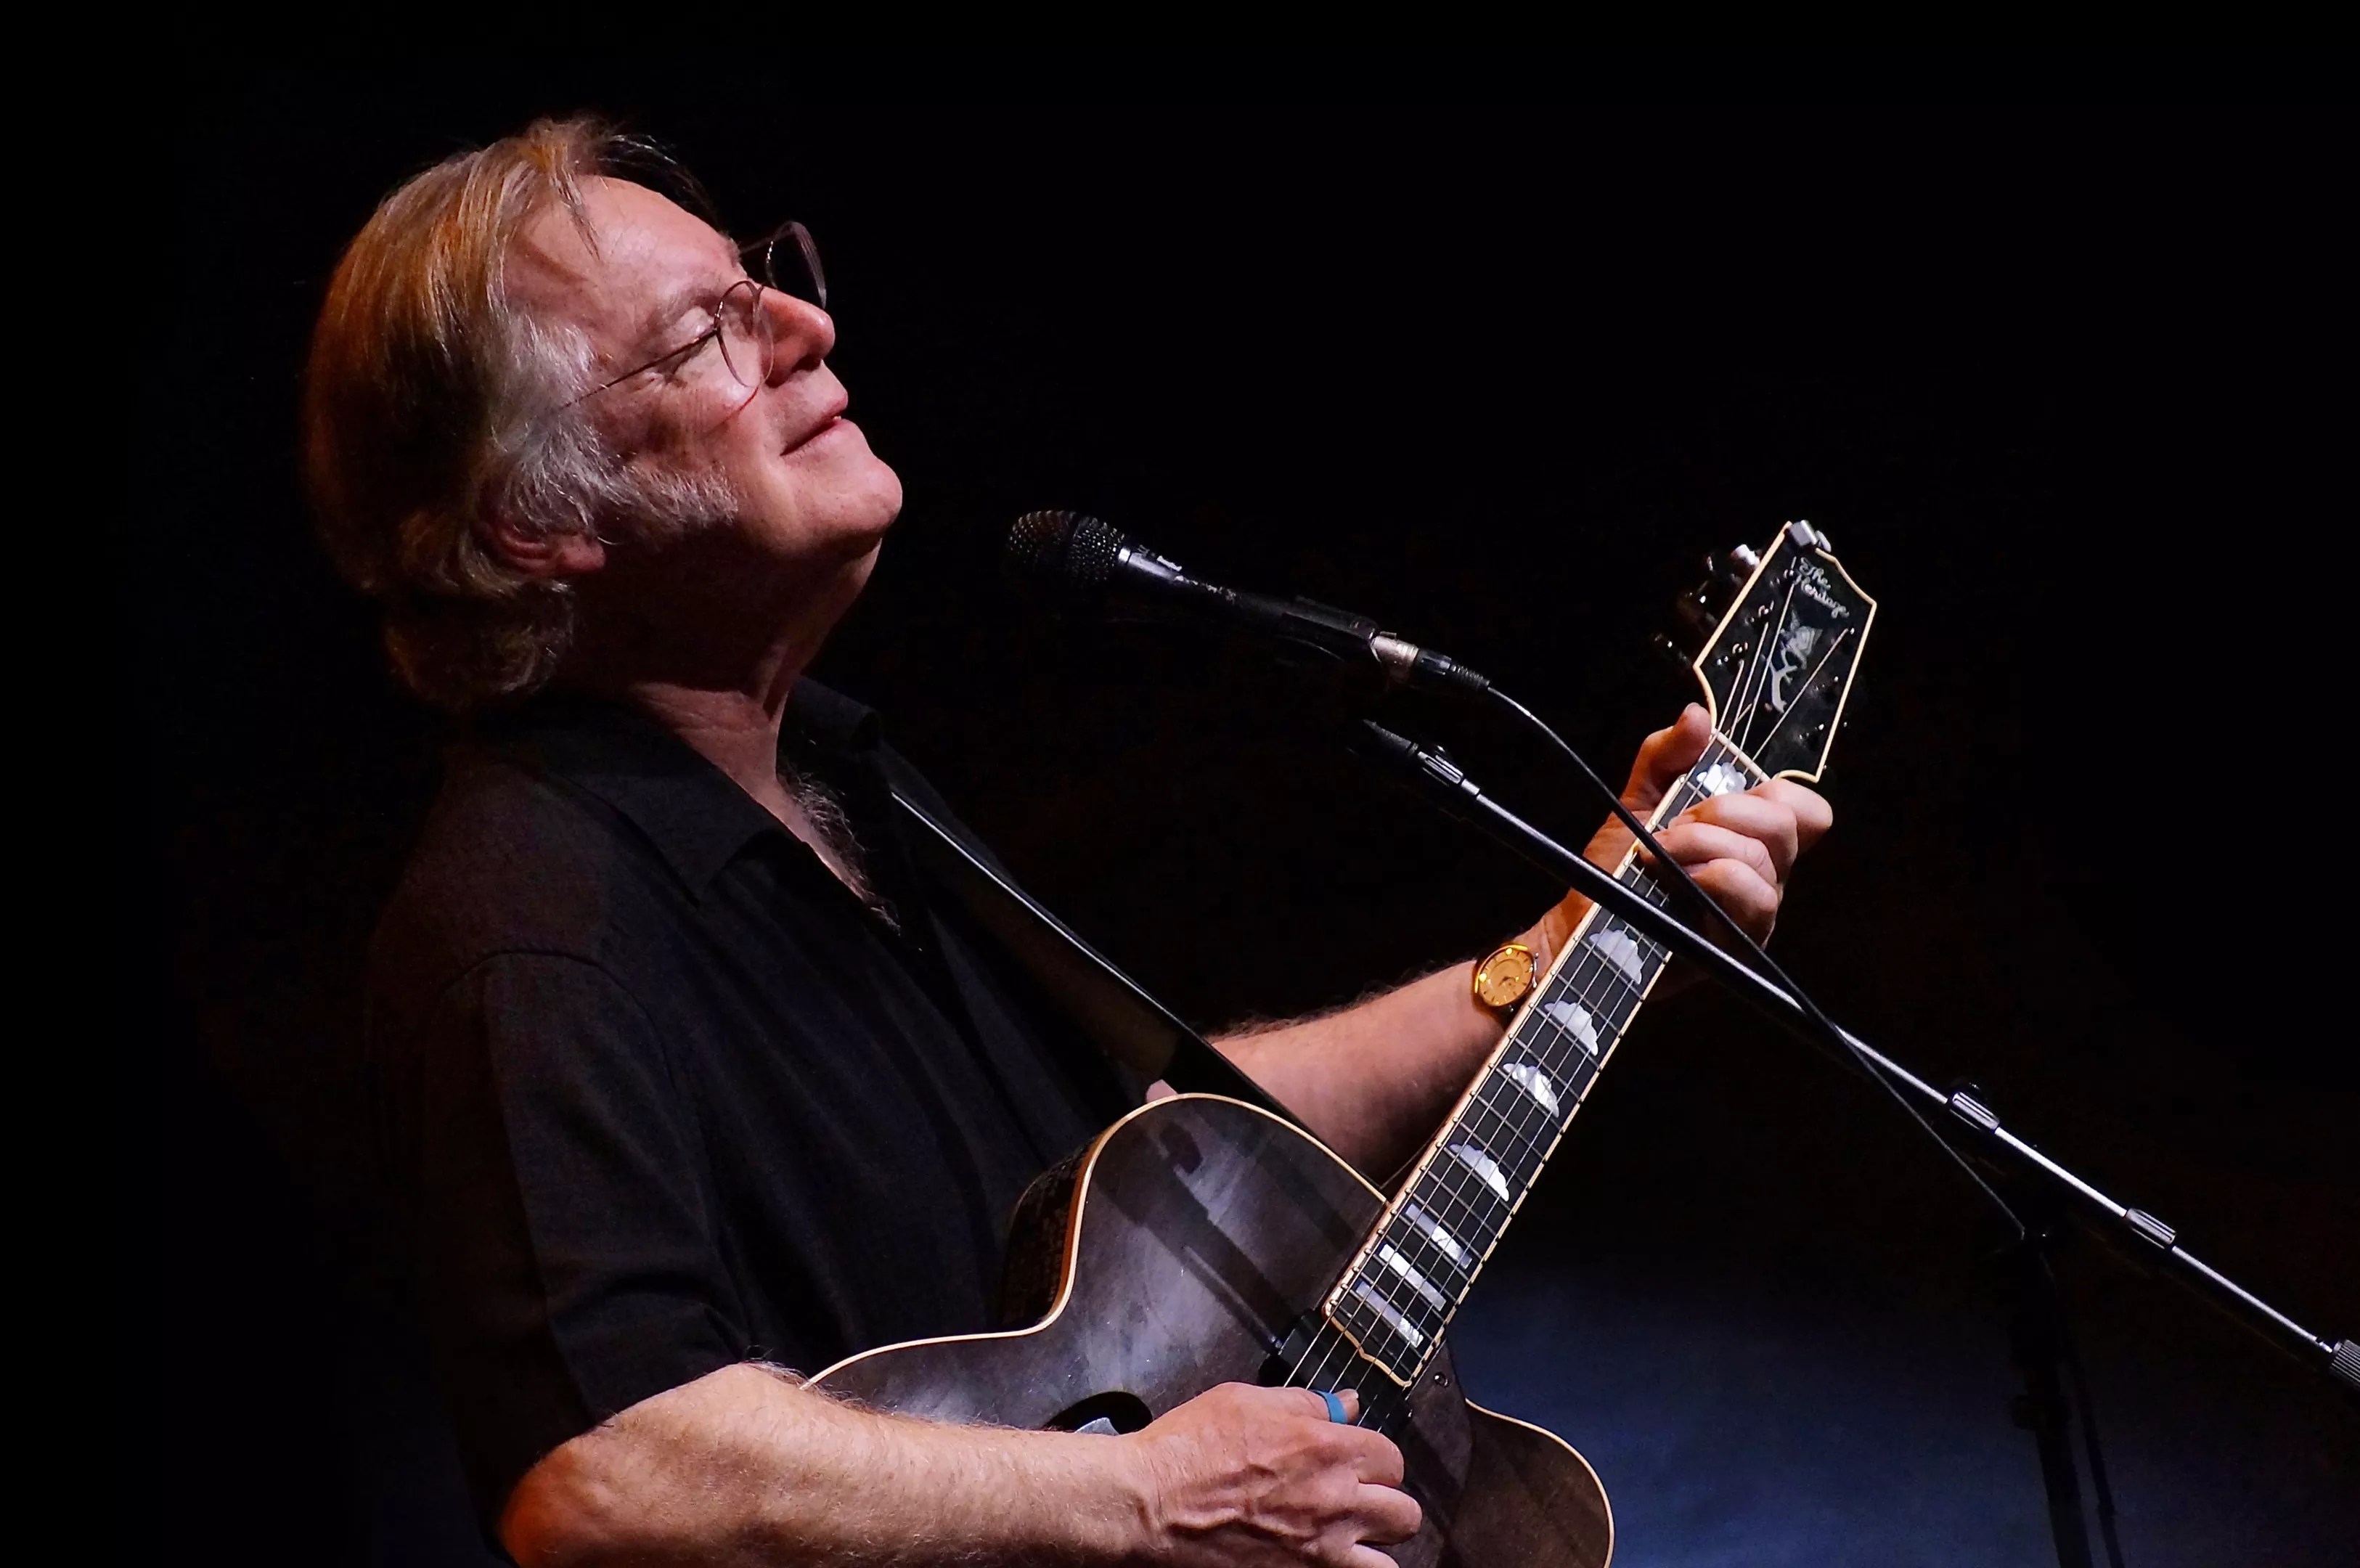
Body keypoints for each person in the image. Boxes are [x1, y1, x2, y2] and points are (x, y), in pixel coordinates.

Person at [306, 118, 1830, 1567]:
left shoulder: (843, 779)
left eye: (765, 276)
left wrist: (1570, 951)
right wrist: (1149, 1500)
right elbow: (603, 1474)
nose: (807, 328)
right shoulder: (530, 920)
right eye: (706, 332)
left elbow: (1171, 1165)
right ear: (534, 524)